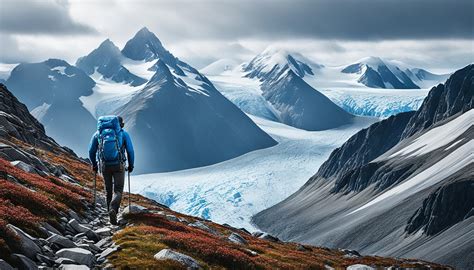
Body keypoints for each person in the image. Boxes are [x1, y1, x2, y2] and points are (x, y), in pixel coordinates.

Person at [88, 115, 134, 225]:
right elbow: (130, 151)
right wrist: (131, 165)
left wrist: (94, 164)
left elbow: (91, 151)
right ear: (120, 124)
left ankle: (110, 214)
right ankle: (113, 209)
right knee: (118, 190)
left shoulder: (98, 134)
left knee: (108, 190)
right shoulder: (123, 134)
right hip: (119, 165)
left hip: (104, 165)